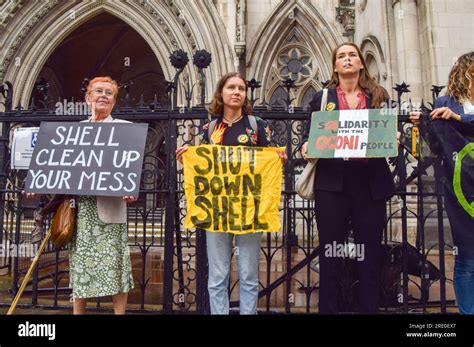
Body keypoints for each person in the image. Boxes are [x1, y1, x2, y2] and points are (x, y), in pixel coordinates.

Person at [176, 72, 287, 314]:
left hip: (250, 211)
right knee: (218, 275)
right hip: (217, 211)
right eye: (232, 87)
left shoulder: (257, 126)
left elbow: (268, 161)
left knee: (248, 273)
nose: (237, 92)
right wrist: (190, 157)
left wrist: (278, 158)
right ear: (221, 93)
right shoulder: (210, 128)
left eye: (241, 88)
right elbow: (206, 167)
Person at [27, 76, 137, 314]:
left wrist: (129, 190)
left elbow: (128, 170)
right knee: (81, 268)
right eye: (98, 91)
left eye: (109, 93)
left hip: (110, 210)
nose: (103, 96)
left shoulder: (125, 130)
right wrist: (38, 182)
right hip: (81, 212)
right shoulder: (74, 132)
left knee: (116, 267)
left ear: (114, 101)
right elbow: (56, 167)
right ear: (88, 97)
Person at [300, 43, 396, 314]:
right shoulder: (322, 98)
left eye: (352, 55)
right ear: (335, 66)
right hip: (332, 183)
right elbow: (309, 135)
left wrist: (394, 136)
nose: (347, 59)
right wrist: (305, 147)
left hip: (369, 182)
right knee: (331, 254)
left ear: (361, 63)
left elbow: (388, 130)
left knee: (370, 255)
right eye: (341, 56)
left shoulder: (377, 95)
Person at [410, 52, 474, 314]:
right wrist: (420, 126)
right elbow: (433, 148)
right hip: (464, 189)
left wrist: (459, 120)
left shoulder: (457, 113)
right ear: (465, 71)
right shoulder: (446, 102)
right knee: (467, 259)